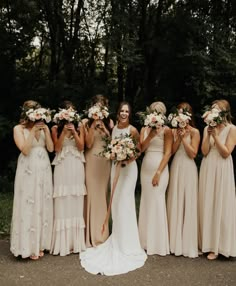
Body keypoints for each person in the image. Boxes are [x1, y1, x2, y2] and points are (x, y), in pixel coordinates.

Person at [80, 102, 147, 275]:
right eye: (122, 111)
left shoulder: (132, 129)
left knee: (125, 203)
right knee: (115, 203)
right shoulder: (114, 128)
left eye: (127, 111)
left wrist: (127, 159)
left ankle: (128, 243)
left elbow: (139, 150)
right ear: (118, 113)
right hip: (114, 168)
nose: (124, 113)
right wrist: (116, 155)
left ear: (129, 114)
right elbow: (110, 146)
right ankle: (117, 238)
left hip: (128, 169)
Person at [10, 100, 54, 260]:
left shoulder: (44, 128)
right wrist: (33, 130)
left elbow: (50, 148)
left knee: (42, 202)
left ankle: (40, 244)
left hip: (43, 168)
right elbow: (25, 149)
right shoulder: (18, 129)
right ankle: (26, 246)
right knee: (28, 202)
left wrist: (46, 132)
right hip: (28, 168)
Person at [199, 99, 236, 260]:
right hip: (208, 166)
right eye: (212, 109)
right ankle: (207, 244)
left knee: (221, 203)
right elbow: (205, 151)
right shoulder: (207, 128)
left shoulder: (232, 129)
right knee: (208, 203)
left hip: (222, 167)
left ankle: (219, 246)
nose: (214, 111)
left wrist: (216, 136)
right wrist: (208, 134)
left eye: (217, 109)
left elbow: (226, 152)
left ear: (224, 112)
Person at [50, 101, 86, 256]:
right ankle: (62, 243)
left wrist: (75, 133)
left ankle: (75, 243)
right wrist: (64, 132)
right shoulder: (55, 128)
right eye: (67, 112)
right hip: (62, 166)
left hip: (76, 166)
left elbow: (81, 147)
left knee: (75, 199)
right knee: (62, 200)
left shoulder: (80, 127)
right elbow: (56, 149)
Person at [138, 101, 172, 255]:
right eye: (154, 111)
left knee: (157, 201)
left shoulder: (167, 131)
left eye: (160, 112)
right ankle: (144, 241)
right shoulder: (144, 128)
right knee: (146, 201)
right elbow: (141, 149)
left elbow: (168, 153)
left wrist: (158, 172)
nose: (157, 114)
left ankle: (158, 242)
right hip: (146, 167)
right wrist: (150, 135)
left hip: (160, 168)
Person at [167, 102, 200, 258]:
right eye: (179, 112)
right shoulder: (174, 131)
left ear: (189, 116)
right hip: (176, 166)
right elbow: (172, 151)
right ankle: (174, 242)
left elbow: (193, 154)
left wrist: (185, 139)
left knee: (187, 201)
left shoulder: (195, 132)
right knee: (175, 200)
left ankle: (187, 243)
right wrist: (178, 138)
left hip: (188, 167)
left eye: (184, 113)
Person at [83, 95, 113, 247]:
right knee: (91, 194)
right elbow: (87, 144)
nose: (99, 109)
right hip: (91, 160)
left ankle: (101, 233)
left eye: (102, 106)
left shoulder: (109, 122)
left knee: (102, 195)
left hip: (104, 162)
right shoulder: (85, 123)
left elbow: (112, 143)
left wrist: (104, 130)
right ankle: (89, 233)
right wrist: (93, 126)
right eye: (96, 105)